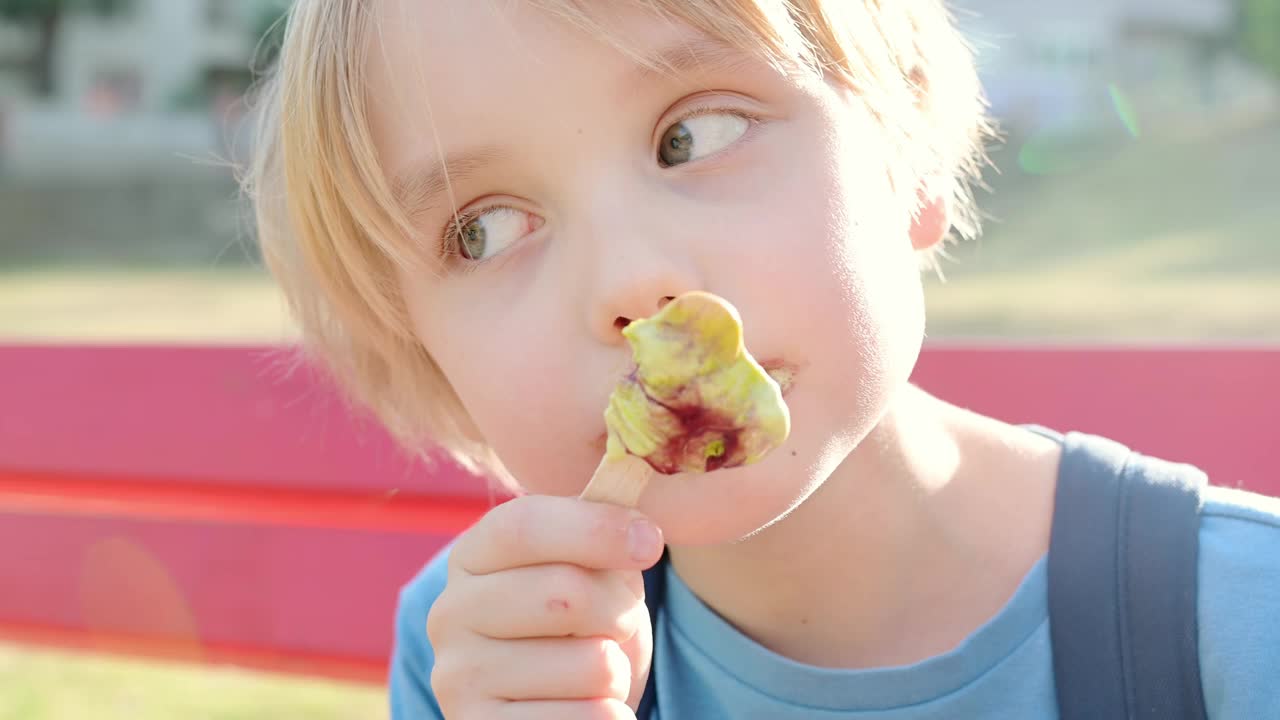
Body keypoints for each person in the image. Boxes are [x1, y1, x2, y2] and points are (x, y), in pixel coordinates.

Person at [244, 1, 1280, 717]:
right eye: (483, 230)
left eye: (692, 135)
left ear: (904, 149)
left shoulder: (1237, 623)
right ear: (417, 345)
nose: (629, 282)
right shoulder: (484, 654)